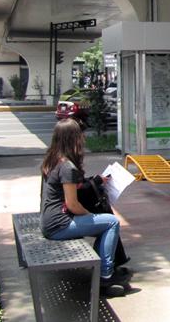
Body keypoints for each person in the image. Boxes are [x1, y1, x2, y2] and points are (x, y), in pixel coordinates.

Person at [40, 119, 130, 287]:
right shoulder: (67, 167)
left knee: (103, 223)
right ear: (72, 139)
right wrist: (92, 217)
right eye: (80, 134)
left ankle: (101, 267)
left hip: (49, 221)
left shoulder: (52, 160)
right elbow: (72, 204)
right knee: (110, 222)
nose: (83, 138)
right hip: (59, 225)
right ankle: (105, 275)